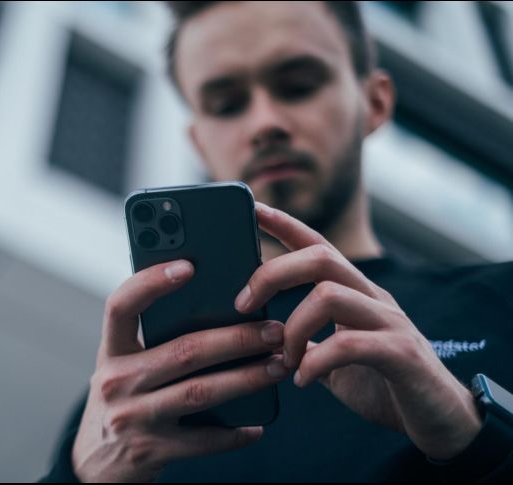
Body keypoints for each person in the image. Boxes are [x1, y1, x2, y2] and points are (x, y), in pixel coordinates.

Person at [41, 1, 513, 481]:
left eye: (298, 86)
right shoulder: (130, 399)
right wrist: (80, 475)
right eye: (227, 105)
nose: (264, 123)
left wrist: (471, 431)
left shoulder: (502, 300)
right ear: (200, 143)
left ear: (373, 102)